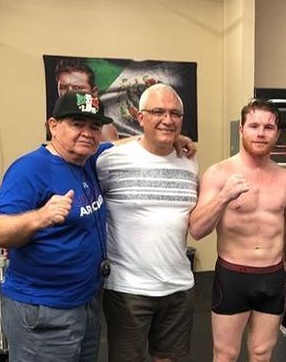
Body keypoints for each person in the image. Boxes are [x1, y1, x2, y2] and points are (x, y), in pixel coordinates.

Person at [0, 90, 114, 362]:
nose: (87, 133)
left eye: (94, 127)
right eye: (77, 124)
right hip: (43, 310)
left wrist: (172, 140)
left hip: (85, 302)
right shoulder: (30, 169)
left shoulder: (87, 158)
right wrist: (40, 216)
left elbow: (126, 143)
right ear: (53, 125)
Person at [189, 99, 286, 362]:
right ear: (241, 129)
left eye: (268, 127)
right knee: (225, 354)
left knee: (262, 353)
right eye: (254, 125)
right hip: (233, 277)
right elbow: (196, 230)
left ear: (277, 133)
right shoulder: (219, 174)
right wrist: (224, 198)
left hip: (272, 278)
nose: (261, 132)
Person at [96, 84, 198, 362]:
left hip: (178, 286)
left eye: (175, 113)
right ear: (140, 118)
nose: (168, 119)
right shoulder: (110, 160)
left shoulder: (189, 162)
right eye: (158, 112)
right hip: (128, 288)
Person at [54, 59, 119, 140]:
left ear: (94, 92)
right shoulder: (55, 121)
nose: (69, 92)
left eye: (77, 88)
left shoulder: (103, 128)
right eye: (63, 87)